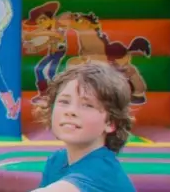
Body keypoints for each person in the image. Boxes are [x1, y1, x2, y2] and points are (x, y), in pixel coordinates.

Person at [31, 62, 136, 192]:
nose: (70, 111)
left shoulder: (102, 171)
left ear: (110, 122)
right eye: (64, 101)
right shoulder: (57, 161)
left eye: (87, 105)